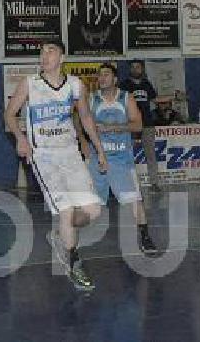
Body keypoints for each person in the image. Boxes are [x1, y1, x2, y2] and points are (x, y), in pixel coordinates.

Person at [4, 40, 109, 291]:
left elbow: (84, 117)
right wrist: (20, 138)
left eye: (51, 51)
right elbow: (9, 114)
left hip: (70, 153)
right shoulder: (30, 84)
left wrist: (99, 149)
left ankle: (62, 237)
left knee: (93, 211)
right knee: (66, 210)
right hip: (43, 156)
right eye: (42, 52)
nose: (45, 55)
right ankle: (74, 262)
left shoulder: (75, 85)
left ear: (62, 57)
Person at [77, 63, 158, 257]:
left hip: (121, 159)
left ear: (115, 79)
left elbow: (138, 125)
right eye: (100, 75)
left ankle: (145, 236)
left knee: (134, 201)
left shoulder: (125, 98)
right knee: (91, 209)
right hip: (98, 160)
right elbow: (78, 120)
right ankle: (67, 234)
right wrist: (83, 142)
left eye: (106, 74)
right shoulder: (91, 99)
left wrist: (114, 128)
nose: (102, 78)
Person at [120, 60, 162, 191]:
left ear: (142, 69)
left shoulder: (146, 84)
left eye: (137, 67)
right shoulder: (124, 85)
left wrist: (174, 97)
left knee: (150, 155)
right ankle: (127, 184)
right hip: (130, 124)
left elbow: (156, 99)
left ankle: (154, 183)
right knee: (127, 155)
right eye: (132, 67)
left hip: (147, 124)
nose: (135, 69)